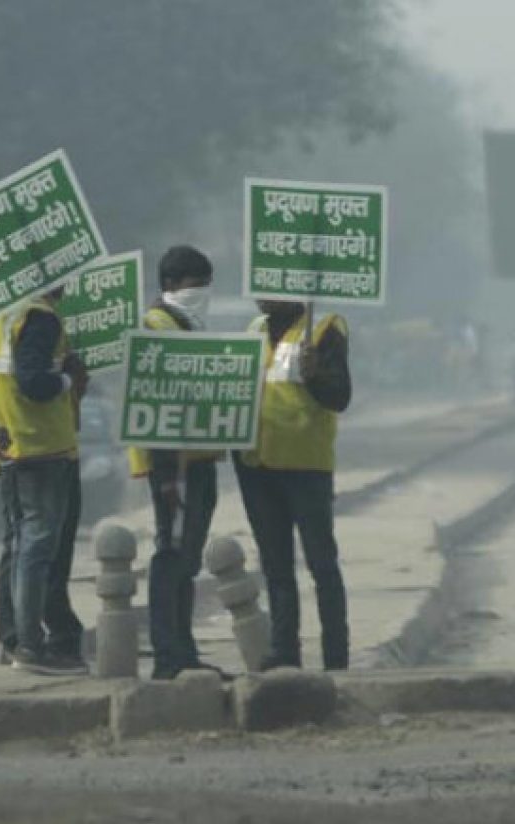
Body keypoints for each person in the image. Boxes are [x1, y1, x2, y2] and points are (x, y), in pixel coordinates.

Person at [0, 289, 88, 675]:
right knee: (37, 545)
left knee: (16, 544)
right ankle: (33, 647)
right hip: (43, 449)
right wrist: (69, 378)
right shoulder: (38, 319)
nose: (66, 289)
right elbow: (34, 383)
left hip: (9, 451)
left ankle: (13, 641)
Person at [233, 299, 352, 671]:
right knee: (275, 565)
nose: (260, 293)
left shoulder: (325, 328)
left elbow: (340, 397)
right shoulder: (252, 331)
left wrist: (315, 373)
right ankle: (285, 651)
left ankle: (335, 655)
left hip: (306, 464)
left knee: (321, 564)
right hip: (257, 464)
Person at [128, 245, 228, 681]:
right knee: (172, 554)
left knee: (188, 559)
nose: (203, 292)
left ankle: (183, 651)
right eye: (195, 284)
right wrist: (167, 474)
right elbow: (155, 402)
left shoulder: (187, 325)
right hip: (175, 466)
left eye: (207, 284)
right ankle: (169, 654)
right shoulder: (157, 326)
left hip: (198, 459)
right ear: (170, 285)